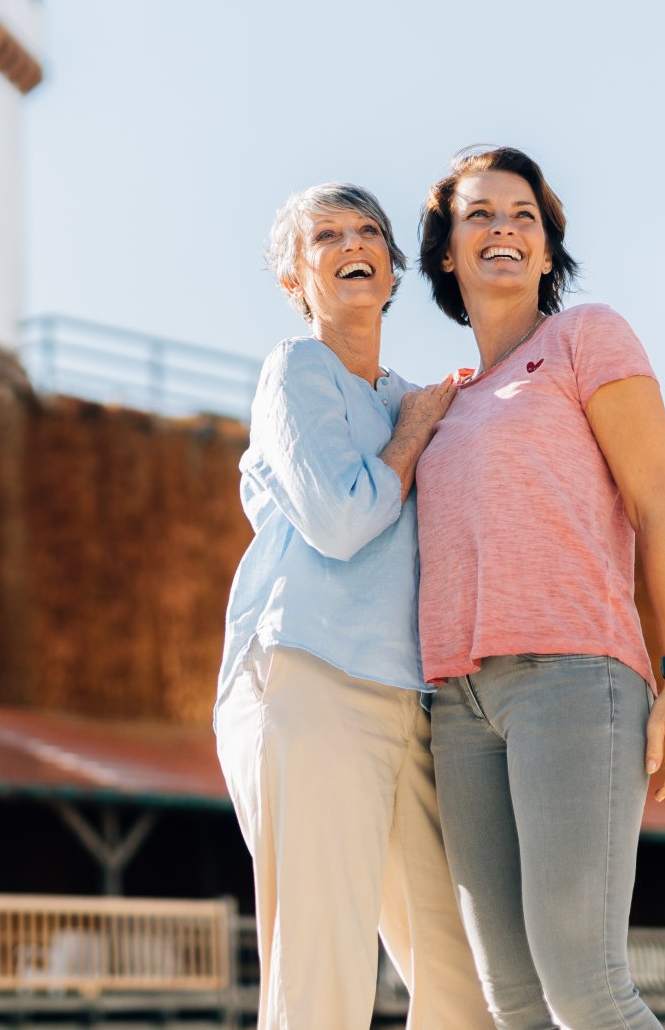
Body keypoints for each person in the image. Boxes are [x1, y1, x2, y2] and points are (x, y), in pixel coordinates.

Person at [415, 145, 665, 1030]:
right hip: (459, 703)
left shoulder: (586, 337)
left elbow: (657, 510)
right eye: (479, 214)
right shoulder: (442, 405)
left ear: (545, 253)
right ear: (445, 253)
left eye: (522, 216)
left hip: (574, 679)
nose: (502, 227)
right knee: (511, 993)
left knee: (584, 980)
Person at [215, 182, 491, 1030]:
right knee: (321, 983)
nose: (350, 242)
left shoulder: (414, 395)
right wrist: (410, 437)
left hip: (411, 699)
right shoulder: (297, 369)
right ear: (299, 278)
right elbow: (339, 519)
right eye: (324, 235)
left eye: (366, 229)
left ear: (392, 267)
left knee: (467, 989)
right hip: (311, 677)